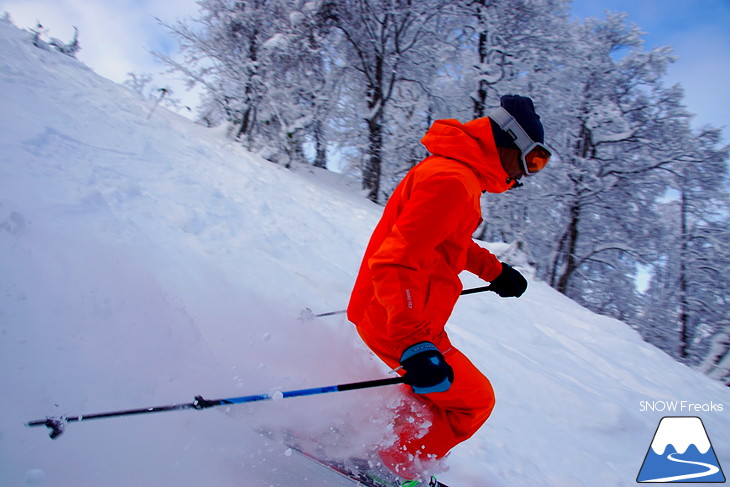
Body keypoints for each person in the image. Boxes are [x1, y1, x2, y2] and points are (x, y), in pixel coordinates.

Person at [347, 95, 551, 483]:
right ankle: (392, 466)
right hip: (398, 318)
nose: (527, 174)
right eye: (532, 160)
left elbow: (448, 240)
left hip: (397, 311)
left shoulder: (455, 174)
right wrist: (413, 343)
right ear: (507, 141)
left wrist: (495, 271)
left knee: (439, 393)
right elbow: (395, 260)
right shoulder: (452, 181)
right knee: (473, 401)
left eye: (538, 165)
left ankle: (371, 439)